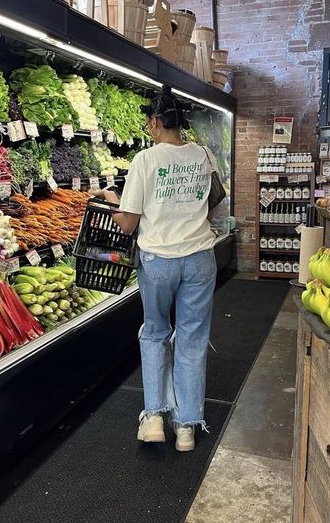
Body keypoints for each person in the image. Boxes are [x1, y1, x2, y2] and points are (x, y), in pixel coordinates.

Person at [95, 84, 218, 452]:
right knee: (192, 339)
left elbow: (129, 223)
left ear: (154, 123)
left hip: (158, 260)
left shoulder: (145, 161)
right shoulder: (204, 154)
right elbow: (212, 206)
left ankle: (154, 419)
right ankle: (186, 427)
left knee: (154, 334)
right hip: (200, 258)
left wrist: (113, 200)